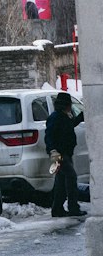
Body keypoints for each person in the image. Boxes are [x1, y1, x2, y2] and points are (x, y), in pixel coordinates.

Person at [45, 91, 86, 219]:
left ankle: (57, 209)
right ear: (65, 105)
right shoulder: (55, 117)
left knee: (61, 181)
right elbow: (49, 135)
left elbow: (71, 124)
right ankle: (73, 207)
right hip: (58, 154)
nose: (70, 107)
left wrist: (82, 116)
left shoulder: (64, 116)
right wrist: (52, 150)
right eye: (69, 105)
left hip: (65, 153)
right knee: (71, 177)